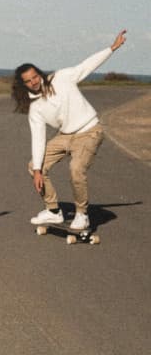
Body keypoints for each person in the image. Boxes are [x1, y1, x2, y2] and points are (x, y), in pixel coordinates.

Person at [12, 29, 127, 230]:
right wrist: (38, 171)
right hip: (66, 136)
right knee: (34, 166)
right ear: (23, 85)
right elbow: (38, 139)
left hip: (89, 130)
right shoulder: (35, 108)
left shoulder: (62, 77)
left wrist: (112, 48)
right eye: (28, 81)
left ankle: (82, 214)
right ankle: (53, 211)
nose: (34, 82)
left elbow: (86, 66)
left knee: (76, 169)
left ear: (39, 73)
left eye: (35, 77)